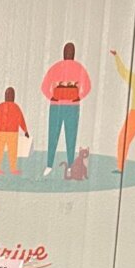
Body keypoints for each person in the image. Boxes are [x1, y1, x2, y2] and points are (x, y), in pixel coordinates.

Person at [39, 42, 91, 174]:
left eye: (71, 51)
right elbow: (44, 86)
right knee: (53, 135)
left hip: (72, 107)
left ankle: (70, 164)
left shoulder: (79, 68)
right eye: (67, 51)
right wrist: (52, 97)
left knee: (71, 136)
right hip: (56, 106)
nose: (68, 53)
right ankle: (49, 164)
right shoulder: (56, 67)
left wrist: (79, 97)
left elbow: (88, 86)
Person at [0, 88, 29, 176]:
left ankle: (0, 169)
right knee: (11, 151)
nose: (9, 96)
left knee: (2, 151)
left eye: (9, 94)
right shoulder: (15, 107)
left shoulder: (2, 106)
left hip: (2, 133)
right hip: (11, 133)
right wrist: (25, 131)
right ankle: (11, 169)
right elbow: (21, 121)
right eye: (9, 94)